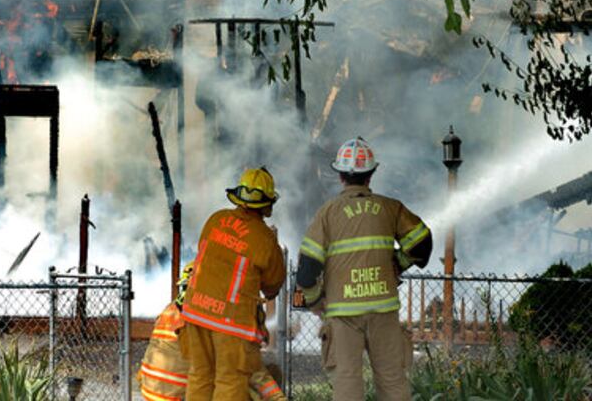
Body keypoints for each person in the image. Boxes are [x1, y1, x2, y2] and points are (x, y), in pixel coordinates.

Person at [296, 137, 432, 401]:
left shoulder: (327, 213)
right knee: (392, 379)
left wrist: (314, 300)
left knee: (347, 382)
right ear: (370, 175)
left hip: (344, 312)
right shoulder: (390, 208)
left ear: (340, 177)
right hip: (383, 307)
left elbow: (307, 269)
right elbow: (423, 243)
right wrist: (398, 263)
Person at [180, 167, 286, 400]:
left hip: (196, 312)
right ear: (267, 203)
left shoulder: (216, 219)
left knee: (199, 376)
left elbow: (206, 254)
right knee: (230, 382)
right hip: (232, 322)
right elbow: (272, 285)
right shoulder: (265, 239)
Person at [138, 263, 285, 401]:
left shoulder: (171, 310)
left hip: (150, 393)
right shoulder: (214, 318)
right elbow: (252, 369)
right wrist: (278, 398)